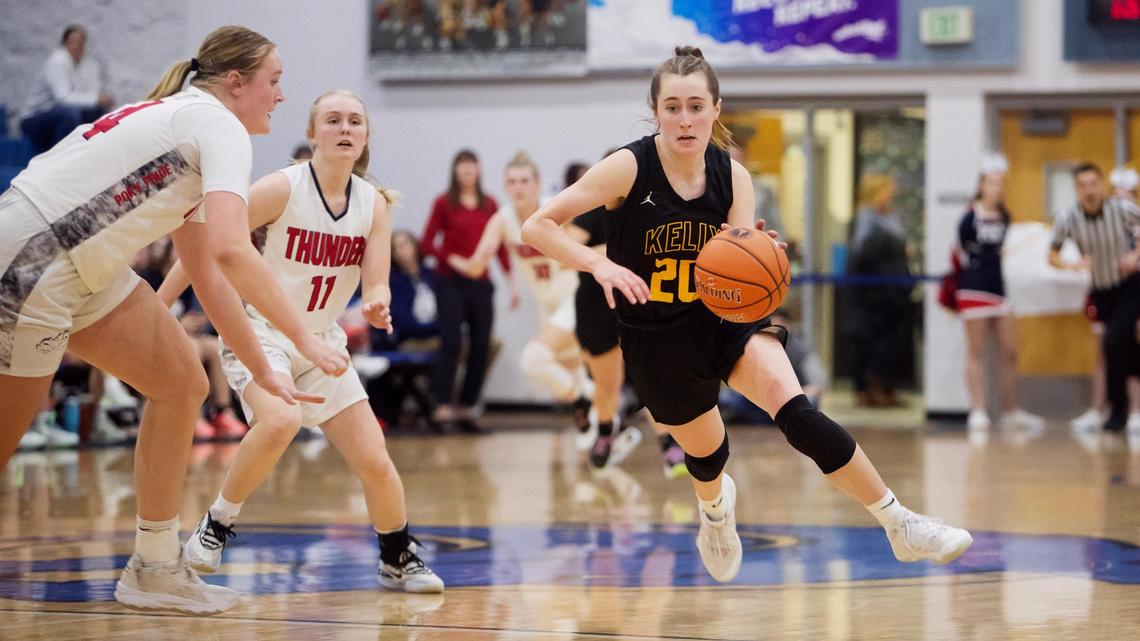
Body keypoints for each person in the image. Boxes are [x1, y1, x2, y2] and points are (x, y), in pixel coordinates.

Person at [520, 46, 973, 583]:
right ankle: (715, 513)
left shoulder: (732, 177)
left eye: (695, 105)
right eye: (671, 107)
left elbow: (732, 260)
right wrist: (601, 265)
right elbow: (538, 227)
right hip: (655, 337)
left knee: (798, 412)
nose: (684, 119)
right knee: (709, 462)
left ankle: (900, 523)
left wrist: (756, 258)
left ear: (716, 109)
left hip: (720, 322)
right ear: (655, 111)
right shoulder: (628, 166)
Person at [0, 26, 349, 613]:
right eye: (274, 81)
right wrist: (301, 337)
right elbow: (236, 250)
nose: (282, 95)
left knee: (181, 382)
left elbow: (207, 271)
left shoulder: (190, 122)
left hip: (78, 258)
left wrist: (263, 368)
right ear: (236, 83)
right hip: (39, 255)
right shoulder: (218, 126)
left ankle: (155, 568)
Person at [159, 90, 443, 594]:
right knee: (282, 419)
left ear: (365, 137)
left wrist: (377, 302)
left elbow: (376, 278)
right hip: (262, 333)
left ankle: (397, 556)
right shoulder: (281, 187)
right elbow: (205, 242)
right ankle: (217, 523)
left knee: (375, 459)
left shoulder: (372, 204)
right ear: (313, 134)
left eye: (355, 121)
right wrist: (161, 303)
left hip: (321, 342)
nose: (345, 128)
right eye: (332, 120)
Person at [565, 155, 683, 475]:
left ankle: (669, 444)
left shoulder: (653, 207)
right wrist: (615, 255)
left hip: (640, 301)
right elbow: (566, 251)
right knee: (608, 383)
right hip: (595, 305)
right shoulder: (592, 209)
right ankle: (605, 431)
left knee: (651, 379)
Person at [470, 152, 593, 435]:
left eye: (524, 180)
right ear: (505, 186)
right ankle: (602, 429)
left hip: (573, 297)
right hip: (547, 306)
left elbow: (590, 238)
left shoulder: (555, 209)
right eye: (512, 181)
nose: (518, 187)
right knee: (571, 372)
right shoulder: (502, 219)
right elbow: (477, 267)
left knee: (534, 360)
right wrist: (481, 258)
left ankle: (593, 401)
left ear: (537, 184)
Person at [420, 149, 516, 432]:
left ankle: (466, 407)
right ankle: (441, 407)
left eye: (471, 167)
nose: (467, 172)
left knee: (481, 344)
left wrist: (511, 283)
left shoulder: (490, 204)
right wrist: (453, 259)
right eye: (462, 167)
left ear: (478, 170)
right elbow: (426, 243)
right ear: (455, 172)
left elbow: (500, 246)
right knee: (451, 343)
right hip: (449, 281)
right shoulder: (443, 203)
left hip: (481, 284)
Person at [954, 153, 1044, 432]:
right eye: (991, 182)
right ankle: (977, 409)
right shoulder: (969, 218)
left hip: (1000, 288)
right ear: (981, 184)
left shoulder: (1005, 216)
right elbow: (960, 253)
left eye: (1000, 182)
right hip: (974, 287)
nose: (997, 187)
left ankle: (1011, 409)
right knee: (976, 350)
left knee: (1010, 350)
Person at [1049, 163, 1140, 433]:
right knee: (1116, 347)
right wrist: (1072, 265)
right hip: (1101, 289)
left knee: (1114, 339)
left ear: (1102, 185)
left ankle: (1123, 410)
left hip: (1130, 285)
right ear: (1076, 190)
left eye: (1093, 183)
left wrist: (1134, 256)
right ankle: (1119, 413)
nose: (1089, 190)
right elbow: (1051, 255)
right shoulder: (1067, 218)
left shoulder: (1122, 209)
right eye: (1083, 185)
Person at [847, 173, 913, 407]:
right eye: (886, 189)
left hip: (892, 290)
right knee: (871, 340)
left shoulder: (891, 217)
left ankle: (884, 384)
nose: (891, 194)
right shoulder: (865, 218)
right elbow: (862, 251)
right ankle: (869, 386)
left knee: (892, 339)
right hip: (872, 293)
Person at [19, 25, 115, 155]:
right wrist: (96, 99)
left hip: (62, 115)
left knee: (99, 111)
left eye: (81, 42)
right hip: (33, 120)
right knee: (70, 113)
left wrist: (101, 100)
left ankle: (91, 156)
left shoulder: (86, 63)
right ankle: (58, 158)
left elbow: (91, 92)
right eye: (72, 41)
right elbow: (63, 98)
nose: (77, 46)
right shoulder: (57, 61)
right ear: (64, 43)